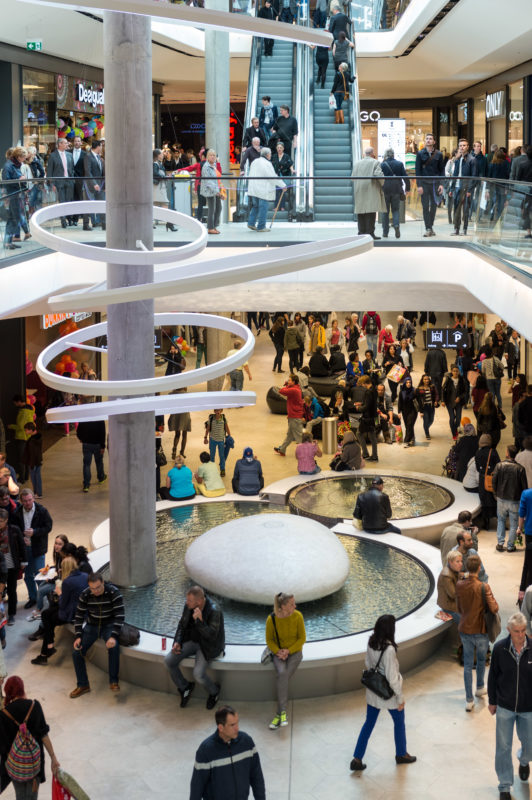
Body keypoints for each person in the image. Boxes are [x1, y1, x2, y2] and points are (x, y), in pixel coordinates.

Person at [350, 614, 416, 771]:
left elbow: (367, 663)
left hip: (373, 692)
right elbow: (392, 678)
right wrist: (400, 698)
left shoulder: (371, 641)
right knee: (399, 722)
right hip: (388, 694)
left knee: (368, 724)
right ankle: (401, 754)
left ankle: (357, 759)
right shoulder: (389, 650)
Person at [488, 612, 532, 800]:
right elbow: (493, 677)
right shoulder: (499, 649)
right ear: (509, 630)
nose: (521, 635)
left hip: (528, 707)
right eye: (516, 631)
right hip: (505, 706)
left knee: (530, 743)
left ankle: (524, 760)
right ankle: (504, 786)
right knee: (503, 747)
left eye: (523, 631)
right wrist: (492, 700)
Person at [0, 675, 60, 797]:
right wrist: (53, 758)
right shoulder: (35, 706)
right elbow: (44, 735)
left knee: (20, 796)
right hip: (34, 765)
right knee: (32, 796)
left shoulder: (3, 715)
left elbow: (3, 746)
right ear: (22, 689)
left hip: (16, 767)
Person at [166, 585, 224, 709]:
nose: (186, 603)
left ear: (199, 602)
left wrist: (200, 622)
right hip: (192, 641)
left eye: (189, 600)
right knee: (169, 661)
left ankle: (214, 692)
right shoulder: (189, 606)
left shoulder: (215, 610)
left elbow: (212, 637)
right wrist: (177, 642)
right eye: (187, 600)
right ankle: (185, 687)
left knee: (198, 673)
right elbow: (182, 625)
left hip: (207, 645)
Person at [190, 706, 265, 800]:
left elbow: (256, 776)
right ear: (221, 727)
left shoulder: (247, 742)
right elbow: (197, 785)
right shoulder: (206, 750)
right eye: (232, 725)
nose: (237, 728)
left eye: (237, 723)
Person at [71, 571, 125, 697]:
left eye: (98, 587)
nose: (95, 591)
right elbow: (78, 616)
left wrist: (113, 636)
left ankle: (113, 681)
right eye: (92, 588)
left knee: (114, 646)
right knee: (76, 653)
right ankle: (83, 685)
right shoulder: (85, 594)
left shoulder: (114, 592)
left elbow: (120, 616)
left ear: (103, 583)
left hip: (109, 624)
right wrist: (78, 636)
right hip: (92, 625)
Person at [456, 554, 498, 712]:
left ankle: (469, 700)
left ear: (467, 567)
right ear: (479, 568)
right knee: (481, 660)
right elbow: (494, 608)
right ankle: (480, 687)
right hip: (481, 630)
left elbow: (459, 608)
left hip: (465, 628)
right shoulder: (483, 586)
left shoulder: (459, 585)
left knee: (467, 665)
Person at [30, 555, 89, 665]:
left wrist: (59, 593)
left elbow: (62, 604)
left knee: (48, 618)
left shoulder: (67, 582)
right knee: (46, 615)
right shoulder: (85, 576)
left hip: (72, 614)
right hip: (82, 610)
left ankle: (47, 650)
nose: (60, 570)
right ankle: (47, 649)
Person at [265, 592, 306, 729]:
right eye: (291, 604)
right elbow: (269, 640)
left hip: (295, 653)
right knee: (283, 673)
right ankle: (282, 714)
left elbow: (302, 639)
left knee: (282, 675)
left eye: (294, 603)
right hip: (279, 653)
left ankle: (280, 713)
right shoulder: (271, 619)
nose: (295, 605)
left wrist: (288, 651)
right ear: (282, 606)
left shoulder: (298, 616)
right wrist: (278, 651)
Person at [13, 489, 53, 611]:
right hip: (25, 550)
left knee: (40, 575)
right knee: (28, 576)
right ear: (21, 501)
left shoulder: (42, 511)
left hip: (38, 548)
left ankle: (46, 598)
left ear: (33, 499)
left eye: (30, 500)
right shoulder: (17, 512)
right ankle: (33, 598)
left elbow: (48, 526)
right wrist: (21, 538)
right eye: (24, 501)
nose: (27, 503)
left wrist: (34, 532)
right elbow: (14, 529)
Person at [492, 445, 528, 552]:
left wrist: (495, 494)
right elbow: (524, 487)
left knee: (501, 521)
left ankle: (500, 543)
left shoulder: (499, 466)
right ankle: (510, 546)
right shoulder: (520, 469)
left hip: (501, 499)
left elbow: (494, 482)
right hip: (515, 501)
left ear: (507, 453)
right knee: (514, 524)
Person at [247, 147, 286, 232]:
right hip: (263, 189)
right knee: (263, 207)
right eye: (270, 154)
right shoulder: (267, 164)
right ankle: (261, 226)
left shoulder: (254, 161)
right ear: (267, 154)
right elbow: (272, 176)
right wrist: (283, 185)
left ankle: (251, 223)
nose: (271, 155)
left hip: (254, 188)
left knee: (255, 206)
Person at [415, 133, 445, 237]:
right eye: (427, 139)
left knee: (434, 206)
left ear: (434, 142)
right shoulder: (420, 154)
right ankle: (428, 228)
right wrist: (419, 185)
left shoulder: (439, 154)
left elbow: (442, 170)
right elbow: (417, 170)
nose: (428, 140)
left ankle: (430, 226)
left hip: (435, 184)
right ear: (425, 141)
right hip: (424, 183)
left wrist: (442, 184)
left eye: (430, 139)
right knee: (425, 207)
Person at [352, 146, 385, 239]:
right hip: (371, 189)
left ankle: (361, 232)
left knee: (361, 212)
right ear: (372, 153)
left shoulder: (357, 163)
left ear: (364, 154)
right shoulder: (375, 162)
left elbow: (353, 177)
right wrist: (382, 183)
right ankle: (370, 233)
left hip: (360, 189)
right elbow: (379, 175)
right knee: (371, 212)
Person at [0, 508, 26, 626]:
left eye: (1, 521)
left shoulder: (14, 530)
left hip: (11, 566)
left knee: (11, 590)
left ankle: (11, 614)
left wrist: (24, 561)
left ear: (6, 520)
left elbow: (22, 546)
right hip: (0, 567)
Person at [380, 148, 410, 238]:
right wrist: (407, 188)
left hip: (385, 189)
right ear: (393, 155)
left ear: (386, 155)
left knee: (385, 211)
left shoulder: (382, 165)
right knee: (395, 210)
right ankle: (396, 226)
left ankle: (385, 232)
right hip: (397, 189)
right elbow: (405, 176)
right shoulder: (399, 164)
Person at [449, 138, 476, 236]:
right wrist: (451, 188)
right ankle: (456, 229)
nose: (462, 147)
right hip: (457, 187)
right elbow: (455, 174)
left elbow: (473, 176)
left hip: (466, 187)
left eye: (464, 145)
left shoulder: (472, 159)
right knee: (456, 209)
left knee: (465, 209)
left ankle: (464, 229)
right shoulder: (457, 159)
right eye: (460, 145)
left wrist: (470, 189)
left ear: (468, 147)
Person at [76, 409, 107, 493]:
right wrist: (103, 446)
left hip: (86, 444)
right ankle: (101, 478)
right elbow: (102, 433)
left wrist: (81, 439)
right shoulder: (100, 419)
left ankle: (86, 484)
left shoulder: (84, 418)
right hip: (97, 444)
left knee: (86, 464)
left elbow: (78, 431)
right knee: (99, 462)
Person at [274, 374, 305, 457]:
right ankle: (282, 450)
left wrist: (287, 385)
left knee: (299, 437)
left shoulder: (294, 390)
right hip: (293, 415)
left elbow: (281, 391)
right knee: (290, 435)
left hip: (295, 416)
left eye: (290, 380)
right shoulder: (297, 388)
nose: (288, 381)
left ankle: (304, 454)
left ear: (294, 382)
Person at [475, 433, 500, 531]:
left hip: (482, 479)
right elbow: (498, 464)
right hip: (492, 479)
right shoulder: (493, 452)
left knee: (484, 500)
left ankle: (486, 523)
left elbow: (477, 468)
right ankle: (498, 521)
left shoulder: (478, 452)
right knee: (494, 499)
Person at [46, 139, 74, 227]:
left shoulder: (69, 155)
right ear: (60, 144)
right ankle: (63, 220)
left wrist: (72, 180)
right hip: (59, 183)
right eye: (65, 143)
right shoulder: (53, 156)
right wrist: (52, 184)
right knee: (62, 201)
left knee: (68, 201)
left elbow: (72, 169)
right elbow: (49, 171)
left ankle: (69, 219)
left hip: (69, 181)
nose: (67, 145)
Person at [354, 376, 378, 461]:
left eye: (362, 384)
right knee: (372, 436)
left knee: (358, 433)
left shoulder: (368, 392)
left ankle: (365, 453)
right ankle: (374, 455)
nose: (362, 386)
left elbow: (366, 407)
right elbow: (370, 403)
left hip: (367, 417)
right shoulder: (374, 390)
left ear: (365, 383)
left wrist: (358, 408)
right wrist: (361, 403)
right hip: (373, 416)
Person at [441, 365, 468, 440]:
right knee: (452, 417)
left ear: (459, 372)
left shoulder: (462, 380)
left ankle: (456, 430)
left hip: (459, 403)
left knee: (458, 418)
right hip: (449, 402)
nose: (455, 372)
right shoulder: (448, 380)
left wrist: (460, 397)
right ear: (451, 372)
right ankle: (454, 433)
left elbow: (465, 391)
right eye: (454, 371)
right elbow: (443, 390)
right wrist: (442, 400)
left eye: (457, 371)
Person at [436, 550, 463, 625]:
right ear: (450, 562)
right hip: (449, 607)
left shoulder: (453, 570)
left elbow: (461, 575)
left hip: (455, 602)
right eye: (457, 562)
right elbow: (453, 594)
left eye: (461, 561)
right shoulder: (446, 576)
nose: (461, 564)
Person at [83, 139, 105, 230]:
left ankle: (104, 224)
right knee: (88, 205)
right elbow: (88, 172)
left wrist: (104, 186)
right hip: (90, 185)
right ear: (98, 146)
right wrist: (94, 183)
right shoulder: (88, 156)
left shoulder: (99, 157)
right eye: (101, 146)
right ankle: (86, 224)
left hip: (100, 185)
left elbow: (102, 173)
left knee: (102, 204)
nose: (102, 148)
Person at [200, 149, 222, 235]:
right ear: (207, 157)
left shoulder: (215, 165)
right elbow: (208, 181)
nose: (213, 157)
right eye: (211, 155)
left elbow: (219, 177)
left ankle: (214, 225)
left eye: (214, 155)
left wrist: (220, 190)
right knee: (212, 209)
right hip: (209, 191)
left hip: (216, 189)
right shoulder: (206, 167)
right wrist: (216, 191)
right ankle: (210, 227)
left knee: (219, 208)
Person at [204, 409, 231, 477]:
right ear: (214, 411)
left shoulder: (224, 419)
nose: (217, 412)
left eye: (219, 410)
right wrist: (205, 437)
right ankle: (212, 469)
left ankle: (222, 469)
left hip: (221, 441)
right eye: (216, 410)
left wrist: (229, 436)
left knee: (222, 456)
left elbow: (227, 428)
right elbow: (208, 428)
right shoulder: (211, 419)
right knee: (212, 456)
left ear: (221, 410)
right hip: (212, 440)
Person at [415, 373, 438, 441]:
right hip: (424, 407)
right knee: (426, 420)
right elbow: (417, 400)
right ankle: (427, 433)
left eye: (427, 379)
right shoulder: (419, 389)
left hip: (431, 406)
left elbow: (436, 394)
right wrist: (420, 411)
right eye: (425, 379)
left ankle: (426, 428)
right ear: (422, 380)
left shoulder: (432, 387)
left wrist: (436, 401)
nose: (426, 380)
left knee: (431, 420)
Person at [23, 422, 43, 499]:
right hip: (37, 461)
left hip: (33, 462)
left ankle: (38, 493)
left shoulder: (33, 441)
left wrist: (31, 463)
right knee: (37, 477)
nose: (25, 432)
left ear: (31, 430)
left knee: (35, 478)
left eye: (26, 430)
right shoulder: (37, 438)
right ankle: (37, 492)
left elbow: (33, 453)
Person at [398, 376, 417, 448]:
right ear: (405, 383)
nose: (408, 384)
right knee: (408, 426)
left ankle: (407, 441)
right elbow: (400, 402)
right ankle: (412, 438)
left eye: (410, 382)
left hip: (413, 410)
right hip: (404, 411)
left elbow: (419, 401)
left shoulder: (414, 390)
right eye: (407, 382)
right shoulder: (402, 392)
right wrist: (399, 412)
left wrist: (421, 411)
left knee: (409, 424)